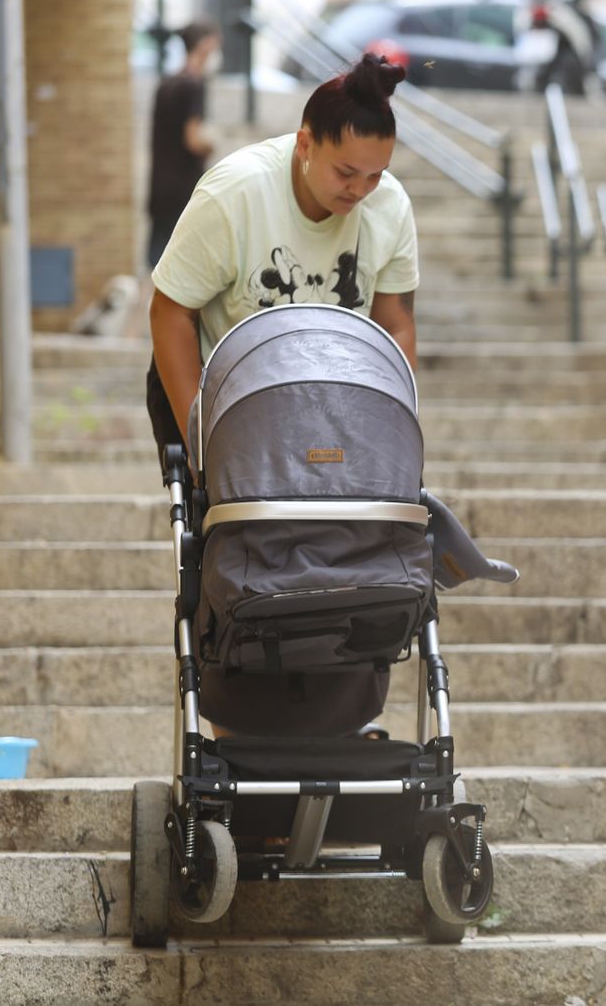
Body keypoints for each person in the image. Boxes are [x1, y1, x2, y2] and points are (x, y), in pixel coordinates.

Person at [147, 53, 420, 737]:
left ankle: (337, 731)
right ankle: (234, 742)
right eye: (344, 172)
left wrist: (398, 428)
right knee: (237, 563)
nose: (359, 189)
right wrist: (199, 436)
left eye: (375, 175)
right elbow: (169, 312)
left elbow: (396, 321)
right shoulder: (235, 193)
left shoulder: (388, 207)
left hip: (339, 408)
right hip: (234, 404)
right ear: (305, 145)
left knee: (346, 557)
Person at [146, 20, 220, 268]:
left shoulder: (167, 83)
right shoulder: (193, 85)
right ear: (204, 45)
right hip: (183, 188)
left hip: (160, 186)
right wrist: (212, 147)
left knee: (155, 262)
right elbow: (193, 140)